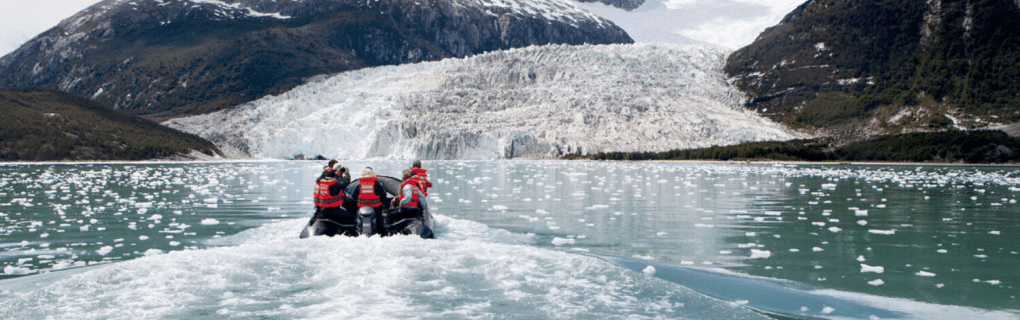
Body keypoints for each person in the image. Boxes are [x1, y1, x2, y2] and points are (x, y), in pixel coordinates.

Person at [312, 169, 354, 234]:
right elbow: (346, 183)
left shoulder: (322, 184)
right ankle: (350, 232)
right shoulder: (335, 185)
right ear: (334, 177)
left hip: (322, 210)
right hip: (332, 210)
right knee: (352, 216)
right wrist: (347, 174)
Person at [349, 167, 390, 234]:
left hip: (362, 207)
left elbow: (353, 198)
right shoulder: (377, 185)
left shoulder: (359, 185)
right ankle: (382, 232)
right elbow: (383, 198)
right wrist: (386, 205)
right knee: (380, 223)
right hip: (375, 208)